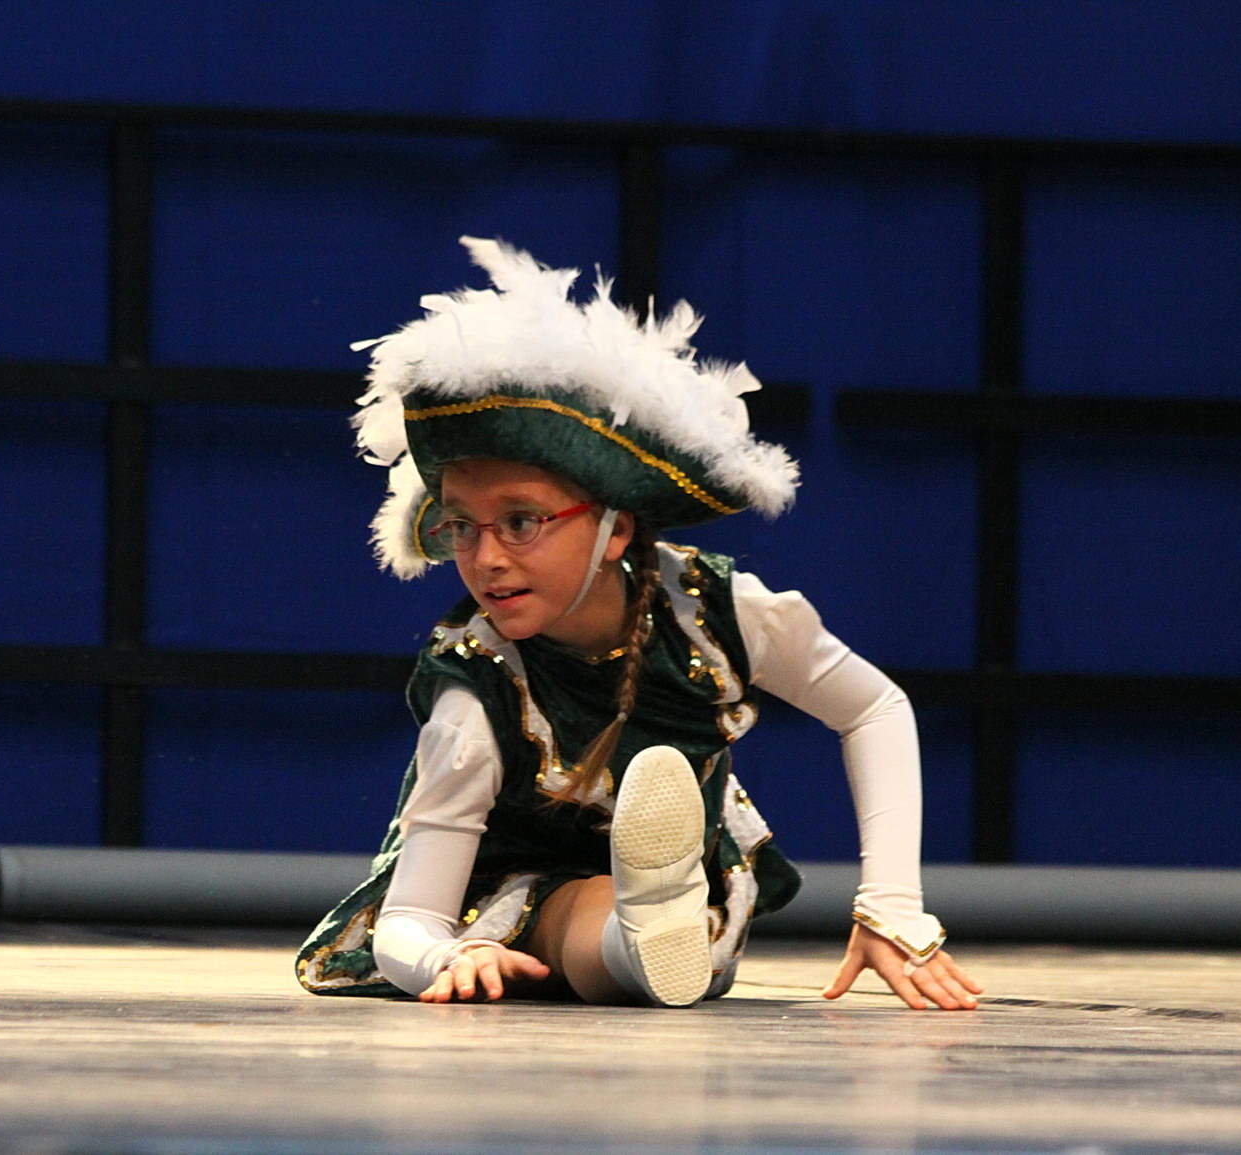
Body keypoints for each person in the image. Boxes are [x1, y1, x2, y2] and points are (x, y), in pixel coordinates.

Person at [296, 237, 981, 1010]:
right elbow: (410, 919)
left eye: (521, 521)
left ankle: (657, 924)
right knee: (564, 911)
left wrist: (891, 905)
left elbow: (874, 705)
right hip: (497, 909)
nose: (485, 558)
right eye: (461, 525)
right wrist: (445, 959)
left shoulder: (716, 612)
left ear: (615, 529)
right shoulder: (478, 692)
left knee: (615, 910)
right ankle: (645, 937)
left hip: (684, 896)